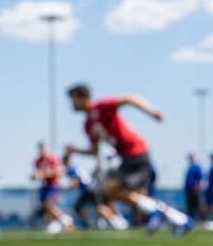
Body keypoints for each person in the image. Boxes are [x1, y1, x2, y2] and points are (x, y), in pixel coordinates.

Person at [63, 83, 191, 236]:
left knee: (110, 189)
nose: (72, 105)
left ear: (83, 98)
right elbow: (94, 150)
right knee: (128, 194)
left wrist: (152, 112)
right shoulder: (88, 124)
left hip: (136, 151)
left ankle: (158, 212)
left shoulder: (102, 106)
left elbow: (130, 99)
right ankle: (180, 219)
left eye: (73, 100)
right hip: (126, 157)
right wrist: (74, 150)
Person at [66, 153, 127, 230]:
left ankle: (117, 222)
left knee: (100, 207)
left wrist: (67, 188)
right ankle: (91, 223)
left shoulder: (71, 169)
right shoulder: (80, 168)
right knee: (78, 207)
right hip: (90, 190)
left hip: (91, 190)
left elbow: (75, 183)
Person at [33, 141, 74, 233]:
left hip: (53, 185)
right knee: (45, 207)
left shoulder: (51, 158)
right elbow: (37, 172)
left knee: (49, 204)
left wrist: (44, 173)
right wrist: (35, 176)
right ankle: (50, 225)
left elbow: (58, 171)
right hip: (44, 186)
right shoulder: (37, 160)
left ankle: (66, 220)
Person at [182, 153, 203, 222]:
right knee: (190, 206)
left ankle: (198, 219)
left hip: (194, 190)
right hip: (189, 190)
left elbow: (199, 178)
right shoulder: (189, 167)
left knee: (196, 206)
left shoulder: (196, 167)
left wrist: (197, 188)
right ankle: (191, 219)